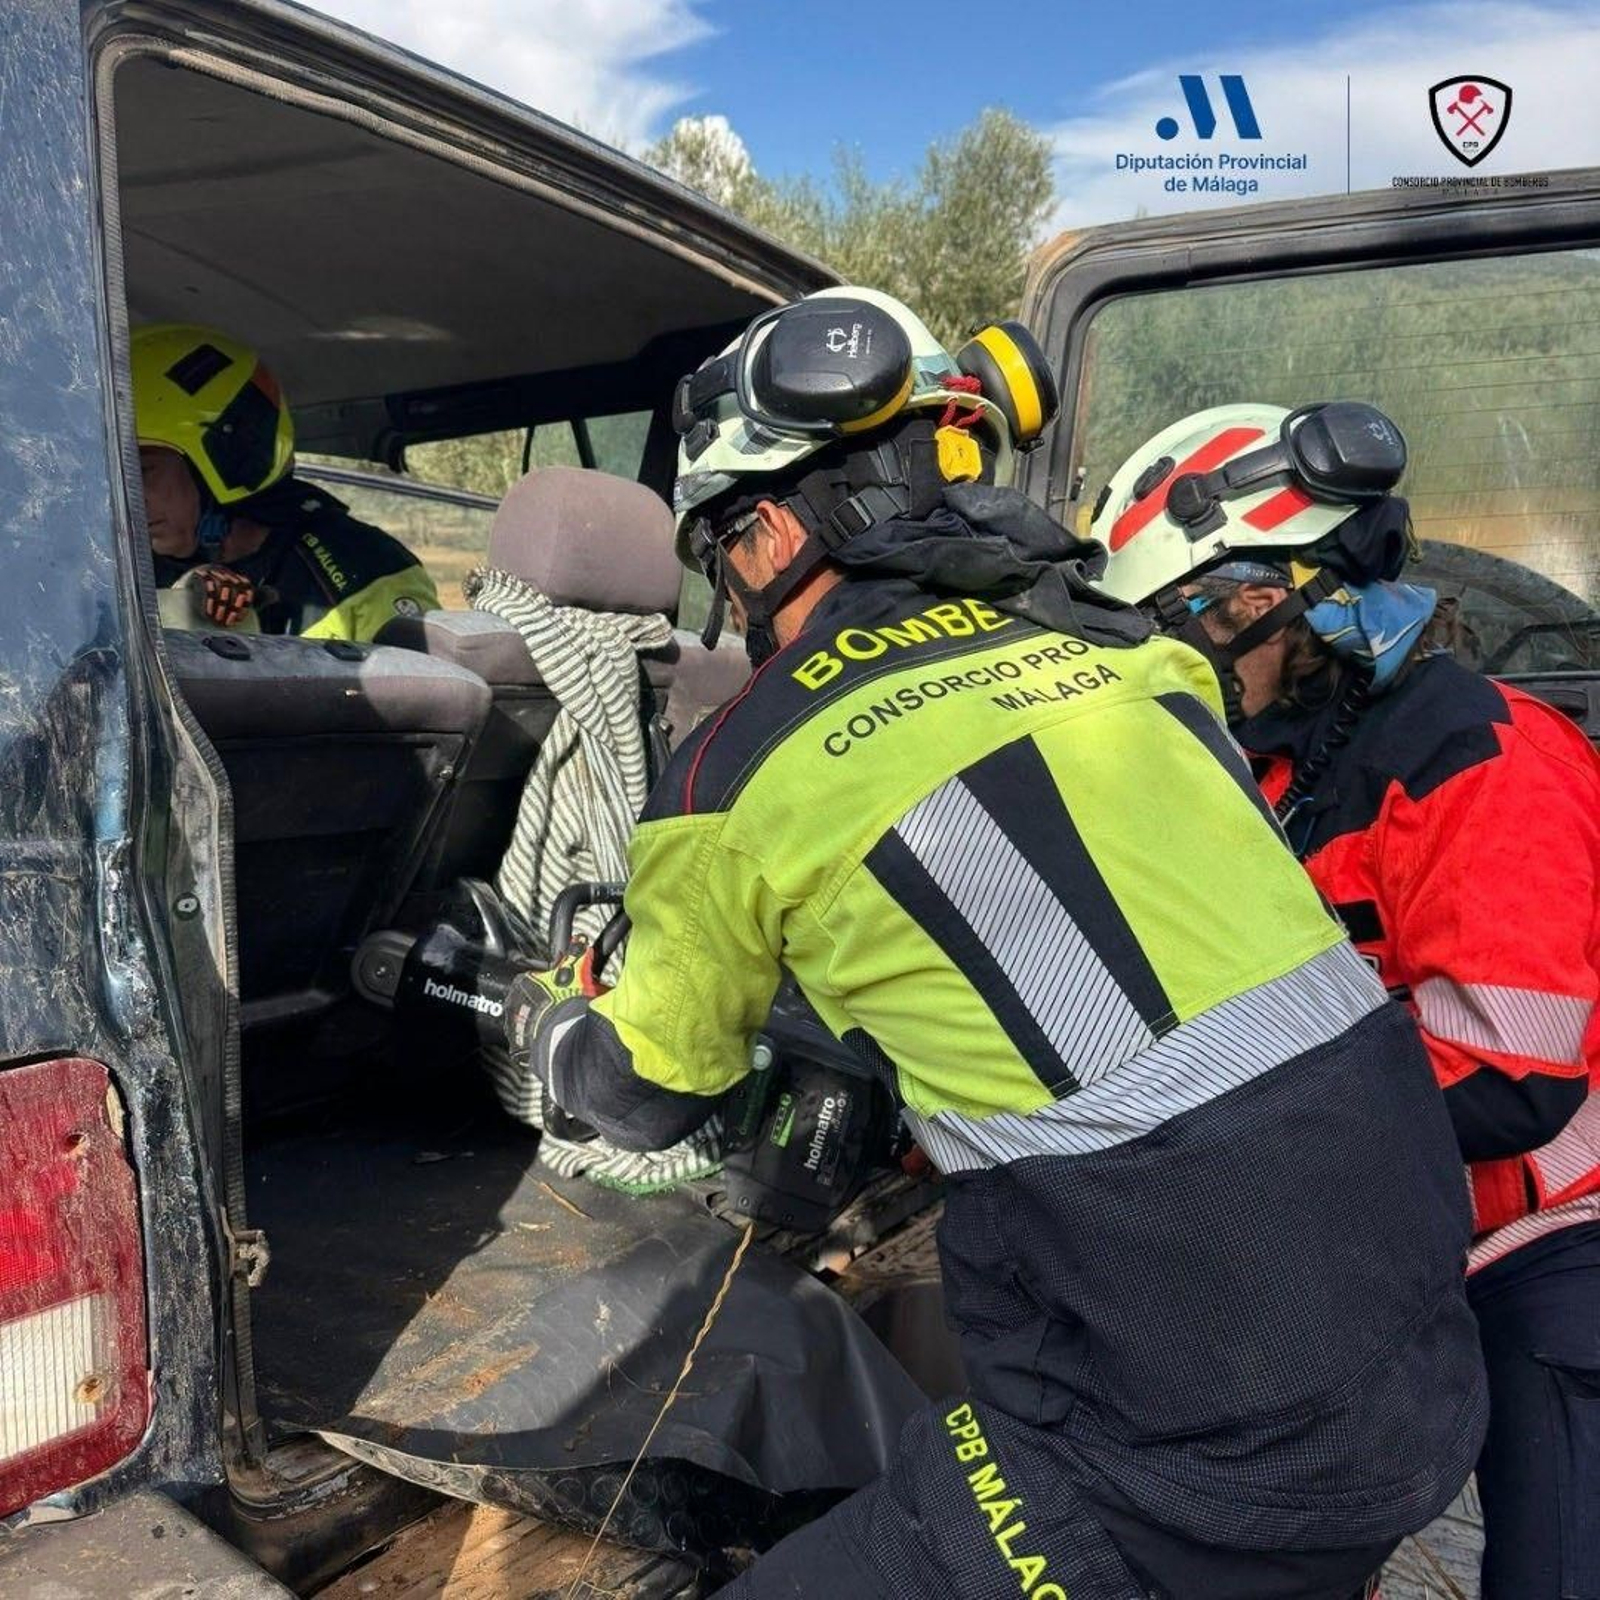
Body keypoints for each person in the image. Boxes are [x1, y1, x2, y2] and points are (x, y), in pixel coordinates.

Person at [500, 290, 1486, 1599]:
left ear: (774, 528)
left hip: (1190, 1439)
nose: (730, 594)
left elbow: (645, 1089)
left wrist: (548, 1030)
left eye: (724, 551)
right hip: (1421, 1352)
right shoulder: (1138, 658)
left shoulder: (740, 765)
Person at [1093, 400, 1600, 1600]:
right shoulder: (1270, 771)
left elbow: (1510, 1073)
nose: (1199, 656)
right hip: (1379, 1224)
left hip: (1547, 1232)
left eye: (1210, 615)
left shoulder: (1481, 756)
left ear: (1316, 593)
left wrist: (1215, 1124)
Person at [131, 323, 438, 639]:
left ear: (230, 457)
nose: (126, 496)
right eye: (115, 475)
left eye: (141, 471)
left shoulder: (367, 569)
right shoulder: (121, 570)